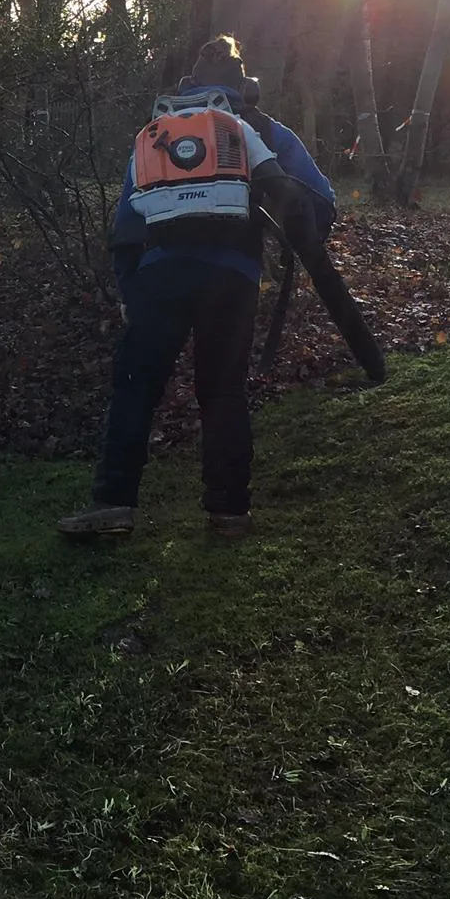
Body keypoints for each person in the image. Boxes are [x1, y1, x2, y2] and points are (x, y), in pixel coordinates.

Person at [59, 37, 335, 539]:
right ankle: (229, 512)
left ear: (190, 81)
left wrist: (130, 291)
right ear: (244, 84)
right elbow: (321, 203)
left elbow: (127, 225)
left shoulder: (156, 131)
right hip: (234, 275)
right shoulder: (264, 130)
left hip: (160, 272)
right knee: (223, 389)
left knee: (136, 385)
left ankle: (112, 504)